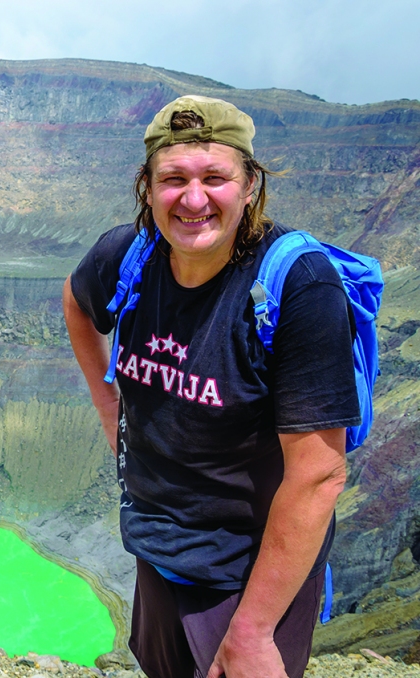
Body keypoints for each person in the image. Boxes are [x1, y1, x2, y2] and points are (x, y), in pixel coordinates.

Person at [62, 95, 359, 678]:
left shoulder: (300, 286)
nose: (193, 199)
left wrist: (252, 632)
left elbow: (320, 474)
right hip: (158, 549)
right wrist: (108, 406)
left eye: (214, 178)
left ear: (249, 186)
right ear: (147, 188)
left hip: (247, 574)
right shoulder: (128, 255)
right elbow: (77, 301)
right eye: (174, 179)